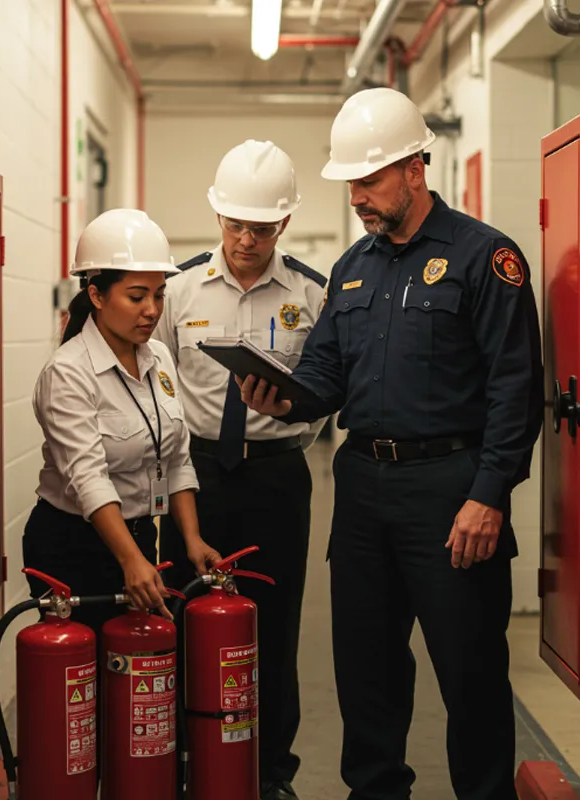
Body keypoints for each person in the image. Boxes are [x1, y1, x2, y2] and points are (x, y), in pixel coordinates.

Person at [238, 88, 544, 800]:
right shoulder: (353, 268)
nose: (357, 198)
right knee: (365, 674)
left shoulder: (484, 257)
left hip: (451, 493)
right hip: (363, 494)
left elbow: (515, 387)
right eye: (350, 184)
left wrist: (489, 496)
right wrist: (280, 395)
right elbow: (324, 376)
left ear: (415, 168)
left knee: (469, 675)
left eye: (369, 181)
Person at [154, 140, 327, 800]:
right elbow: (157, 385)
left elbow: (325, 391)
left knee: (274, 624)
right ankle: (184, 761)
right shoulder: (177, 290)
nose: (247, 239)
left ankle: (271, 772)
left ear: (283, 224)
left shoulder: (313, 293)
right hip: (197, 477)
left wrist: (293, 405)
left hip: (279, 475)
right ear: (217, 216)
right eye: (236, 224)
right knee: (182, 613)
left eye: (262, 227)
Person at [22, 208, 221, 639]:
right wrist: (130, 560)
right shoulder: (68, 373)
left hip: (138, 534)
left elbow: (177, 457)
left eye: (160, 294)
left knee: (137, 681)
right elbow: (88, 478)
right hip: (73, 545)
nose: (152, 310)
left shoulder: (159, 358)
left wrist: (192, 540)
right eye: (136, 296)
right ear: (96, 295)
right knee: (81, 680)